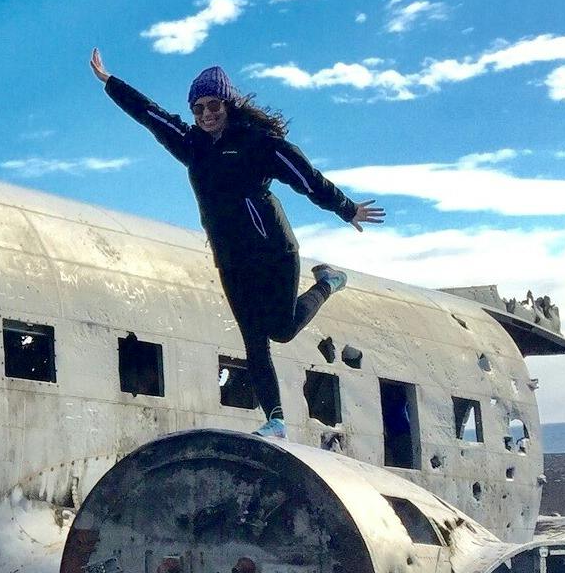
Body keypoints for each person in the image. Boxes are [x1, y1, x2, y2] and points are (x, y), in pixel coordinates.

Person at [90, 49, 384, 439]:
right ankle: (276, 420)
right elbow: (149, 115)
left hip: (273, 251)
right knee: (254, 340)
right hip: (231, 260)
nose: (206, 114)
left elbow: (305, 176)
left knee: (280, 330)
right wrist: (110, 81)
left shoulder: (258, 144)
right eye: (198, 108)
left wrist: (346, 209)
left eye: (213, 105)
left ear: (227, 104)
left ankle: (328, 283)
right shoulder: (191, 143)